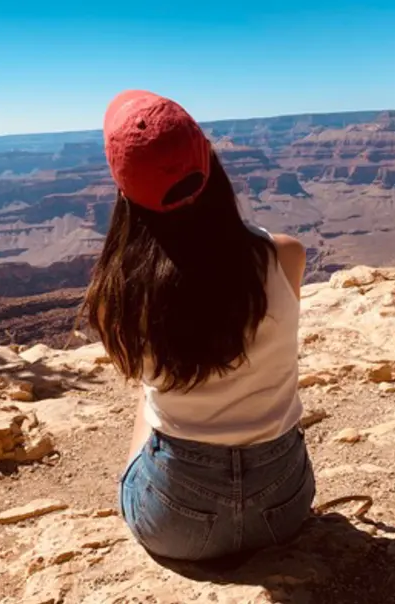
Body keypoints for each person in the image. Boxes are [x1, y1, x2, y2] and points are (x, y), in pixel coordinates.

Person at [82, 90, 314, 562]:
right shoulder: (286, 256)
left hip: (176, 522)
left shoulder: (118, 297)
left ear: (123, 191)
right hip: (284, 506)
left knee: (147, 403)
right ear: (209, 163)